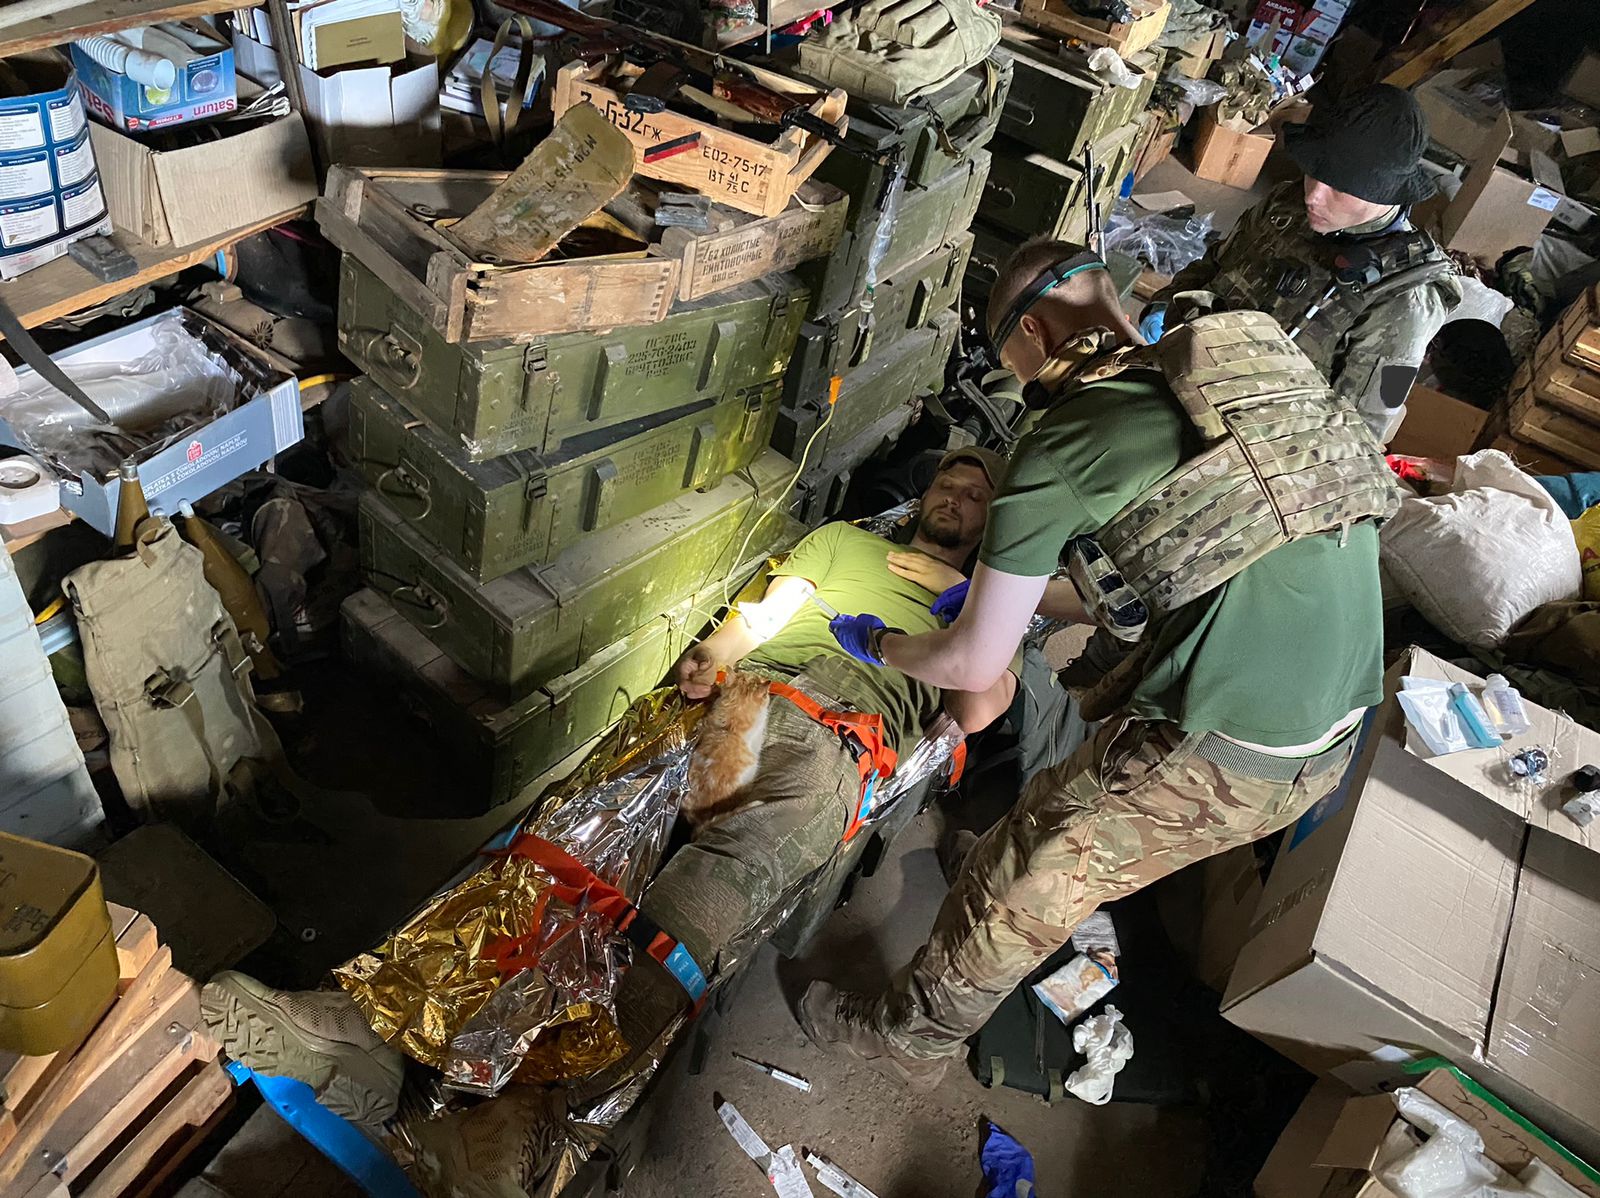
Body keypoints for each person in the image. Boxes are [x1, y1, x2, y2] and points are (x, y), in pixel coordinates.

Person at [200, 448, 1025, 1121]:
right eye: (947, 479)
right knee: (557, 863)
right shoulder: (848, 542)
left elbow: (981, 706)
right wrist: (718, 654)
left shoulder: (989, 603)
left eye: (977, 492)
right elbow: (770, 610)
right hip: (747, 706)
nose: (957, 492)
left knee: (678, 927)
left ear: (995, 525)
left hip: (841, 738)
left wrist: (927, 639)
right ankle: (373, 1022)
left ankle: (515, 1118)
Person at [799, 238, 1394, 1087]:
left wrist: (883, 643)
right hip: (1334, 723)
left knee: (1029, 874)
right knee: (1051, 808)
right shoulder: (1232, 367)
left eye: (1009, 363)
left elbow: (972, 666)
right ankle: (1011, 877)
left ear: (1033, 335)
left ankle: (911, 1036)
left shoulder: (1061, 446)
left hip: (1235, 756)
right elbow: (1182, 556)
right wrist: (1023, 596)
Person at [1148, 84, 1462, 444]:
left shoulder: (1407, 301)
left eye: (1340, 188)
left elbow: (1355, 440)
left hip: (1255, 448)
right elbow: (1214, 267)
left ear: (1385, 192)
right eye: (1316, 172)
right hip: (1184, 375)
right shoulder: (1286, 204)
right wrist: (1165, 303)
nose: (1313, 195)